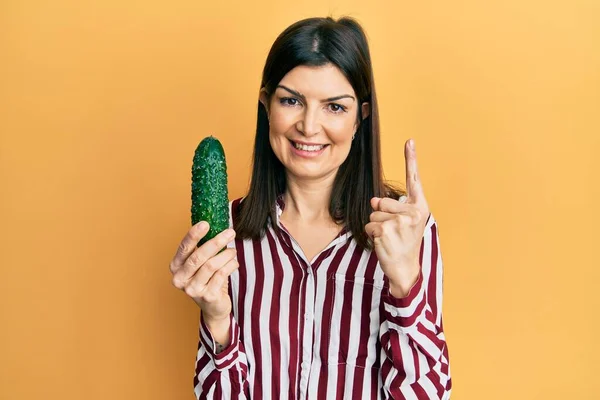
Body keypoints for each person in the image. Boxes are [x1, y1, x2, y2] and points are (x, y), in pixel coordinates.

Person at [170, 16, 451, 399]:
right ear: (266, 105)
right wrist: (217, 320)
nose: (309, 125)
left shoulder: (406, 229)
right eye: (291, 101)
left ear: (360, 118)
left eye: (335, 107)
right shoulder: (227, 234)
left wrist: (404, 285)